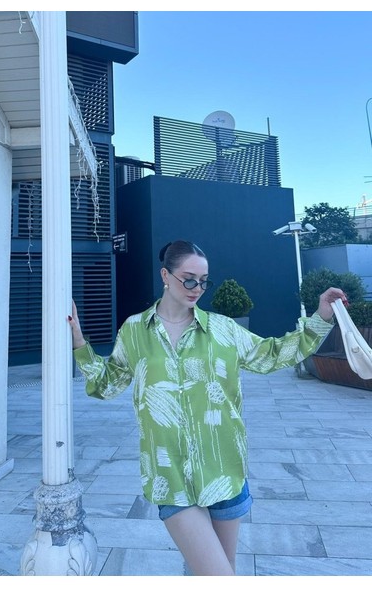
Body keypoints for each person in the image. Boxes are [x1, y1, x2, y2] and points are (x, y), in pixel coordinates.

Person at [68, 239, 346, 576]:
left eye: (203, 281)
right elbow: (106, 384)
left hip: (225, 471)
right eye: (188, 279)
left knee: (220, 572)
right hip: (171, 477)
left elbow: (273, 354)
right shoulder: (135, 331)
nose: (197, 289)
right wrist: (79, 342)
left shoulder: (222, 329)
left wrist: (321, 317)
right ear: (165, 276)